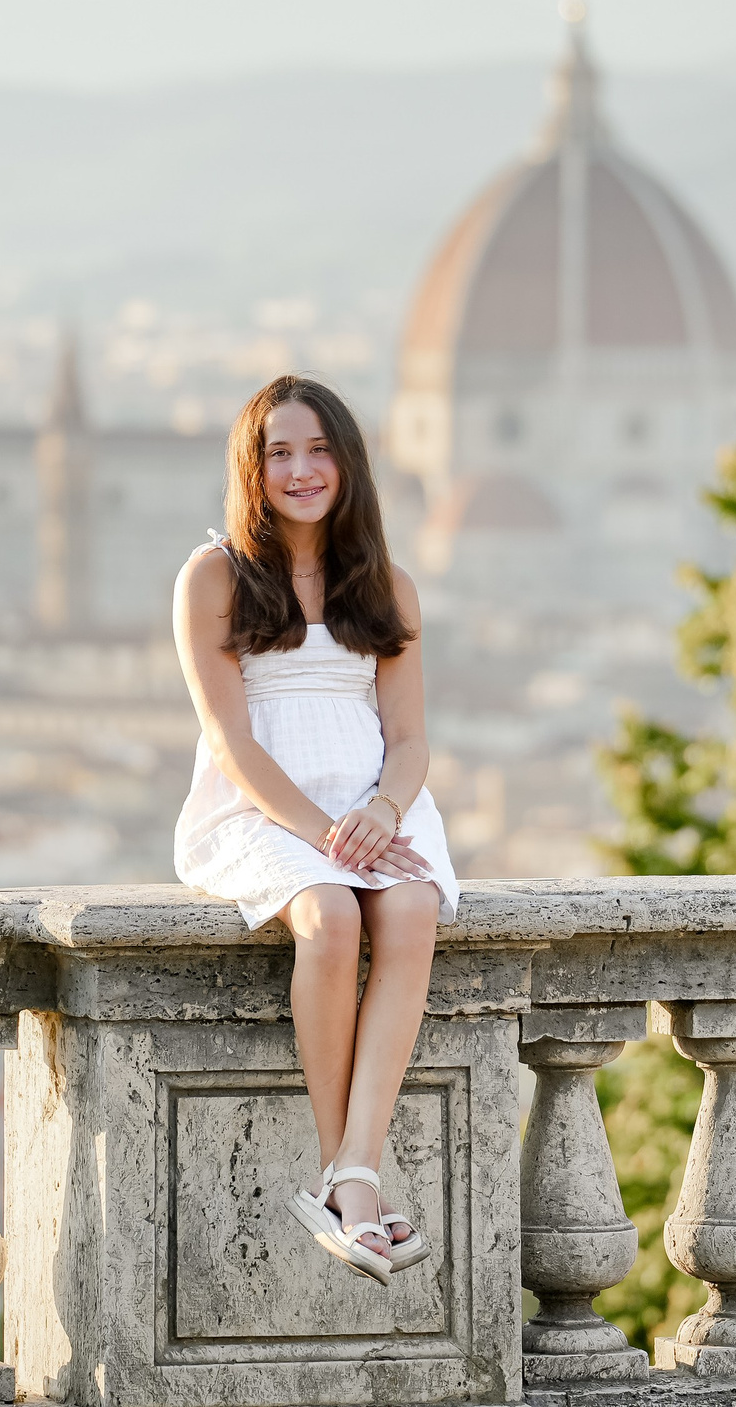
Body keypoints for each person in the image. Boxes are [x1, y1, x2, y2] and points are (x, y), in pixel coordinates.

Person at [172, 374, 458, 1284]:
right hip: (263, 803)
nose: (300, 470)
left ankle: (350, 1176)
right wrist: (324, 831)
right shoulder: (213, 575)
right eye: (279, 452)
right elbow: (229, 735)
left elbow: (410, 737)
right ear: (252, 470)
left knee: (412, 914)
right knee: (331, 919)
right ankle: (355, 1178)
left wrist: (380, 809)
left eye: (318, 449)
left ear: (349, 462)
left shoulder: (389, 587)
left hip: (374, 798)